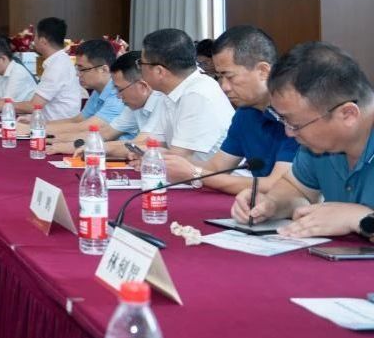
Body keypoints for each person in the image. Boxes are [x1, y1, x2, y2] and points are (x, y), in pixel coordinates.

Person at [233, 42, 374, 239]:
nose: (289, 133)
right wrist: (272, 203)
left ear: (348, 114)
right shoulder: (319, 146)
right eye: (284, 121)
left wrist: (359, 217)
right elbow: (297, 188)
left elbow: (354, 217)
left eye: (295, 124)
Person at [160, 26, 297, 193]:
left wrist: (195, 173)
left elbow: (277, 186)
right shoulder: (245, 113)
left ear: (263, 71)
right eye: (219, 77)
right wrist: (165, 161)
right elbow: (216, 167)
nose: (223, 87)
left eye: (230, 77)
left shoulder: (296, 115)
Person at [48, 51, 168, 157]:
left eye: (120, 89)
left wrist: (91, 147)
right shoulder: (134, 105)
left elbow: (139, 144)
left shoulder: (162, 100)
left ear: (142, 87)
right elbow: (106, 133)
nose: (118, 96)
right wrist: (56, 140)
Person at [140, 28, 234, 160]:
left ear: (159, 71)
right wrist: (144, 153)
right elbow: (155, 143)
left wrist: (148, 156)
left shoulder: (197, 93)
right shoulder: (171, 93)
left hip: (217, 173)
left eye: (141, 63)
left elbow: (178, 157)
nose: (139, 68)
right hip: (189, 171)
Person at [0, 17, 80, 119]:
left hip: (57, 125)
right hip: (47, 121)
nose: (33, 41)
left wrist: (1, 106)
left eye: (35, 37)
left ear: (43, 41)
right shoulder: (58, 62)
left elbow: (34, 105)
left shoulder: (57, 66)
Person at [44, 39, 125, 137]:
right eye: (77, 69)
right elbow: (77, 120)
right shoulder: (98, 90)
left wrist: (36, 129)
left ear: (103, 69)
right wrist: (38, 124)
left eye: (82, 69)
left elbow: (84, 127)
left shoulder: (118, 93)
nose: (78, 74)